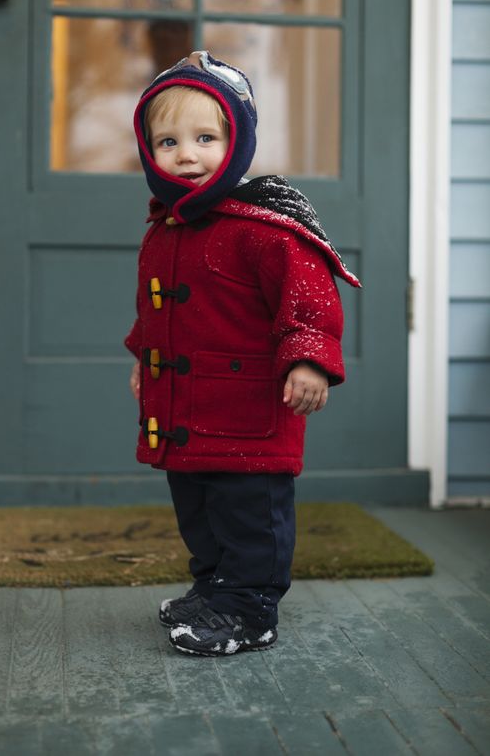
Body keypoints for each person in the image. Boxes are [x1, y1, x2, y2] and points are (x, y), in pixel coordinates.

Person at [125, 51, 361, 657]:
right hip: (185, 407)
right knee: (199, 510)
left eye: (206, 137)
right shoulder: (166, 229)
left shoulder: (265, 228)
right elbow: (156, 312)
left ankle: (249, 607)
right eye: (168, 141)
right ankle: (213, 588)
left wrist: (308, 359)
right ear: (149, 152)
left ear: (237, 142)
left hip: (252, 410)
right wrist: (144, 360)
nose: (187, 154)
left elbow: (308, 301)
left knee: (249, 514)